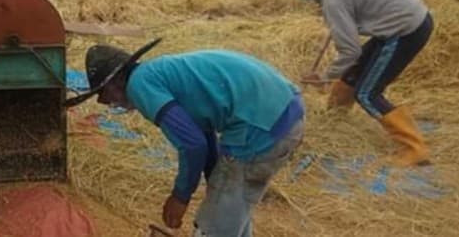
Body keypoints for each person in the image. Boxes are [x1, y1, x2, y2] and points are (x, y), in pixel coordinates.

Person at [65, 39, 304, 237]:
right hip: (282, 110)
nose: (111, 104)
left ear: (115, 83)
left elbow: (192, 144)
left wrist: (180, 196)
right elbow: (204, 131)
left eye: (106, 96)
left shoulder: (140, 85)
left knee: (215, 225)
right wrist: (213, 177)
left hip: (262, 123)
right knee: (232, 205)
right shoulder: (158, 71)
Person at [282, 0, 433, 166]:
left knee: (367, 94)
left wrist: (325, 77)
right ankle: (335, 119)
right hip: (408, 20)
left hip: (406, 30)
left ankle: (414, 149)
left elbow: (350, 51)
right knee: (353, 74)